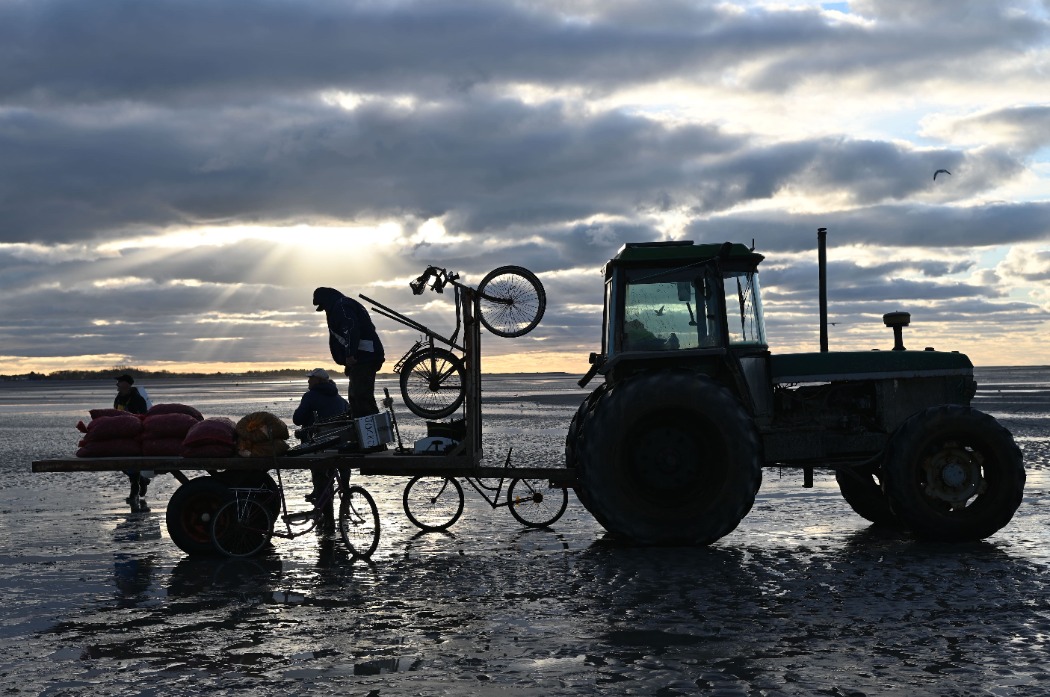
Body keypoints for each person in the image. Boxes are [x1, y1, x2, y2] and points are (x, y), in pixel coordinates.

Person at [312, 287, 385, 417]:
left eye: (323, 306)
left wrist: (350, 354)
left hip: (365, 357)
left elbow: (351, 329)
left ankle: (371, 431)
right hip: (362, 358)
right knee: (356, 398)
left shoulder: (341, 307)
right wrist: (348, 362)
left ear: (326, 300)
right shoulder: (343, 304)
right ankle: (362, 430)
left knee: (362, 398)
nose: (324, 310)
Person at [292, 368, 351, 501]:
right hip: (340, 443)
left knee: (318, 465)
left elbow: (297, 419)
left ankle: (320, 490)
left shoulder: (310, 396)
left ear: (318, 380)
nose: (308, 381)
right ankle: (346, 489)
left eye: (311, 378)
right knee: (340, 460)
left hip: (318, 444)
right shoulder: (340, 399)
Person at [113, 374, 151, 512]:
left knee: (132, 462)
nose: (117, 385)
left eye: (119, 382)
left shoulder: (137, 399)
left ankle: (134, 493)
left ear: (127, 384)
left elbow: (145, 417)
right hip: (121, 434)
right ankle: (142, 480)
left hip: (134, 436)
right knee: (119, 462)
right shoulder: (118, 398)